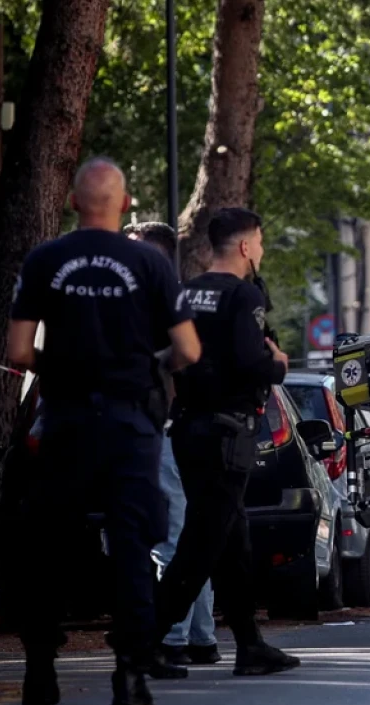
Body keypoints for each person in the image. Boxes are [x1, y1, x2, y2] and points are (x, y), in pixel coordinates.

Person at [7, 157, 201, 705]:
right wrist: (147, 363)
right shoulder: (149, 263)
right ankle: (130, 674)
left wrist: (65, 368)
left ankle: (40, 673)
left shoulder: (46, 259)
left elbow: (18, 352)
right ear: (125, 203)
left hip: (64, 419)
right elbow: (188, 350)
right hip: (131, 423)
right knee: (133, 544)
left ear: (73, 202)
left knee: (48, 545)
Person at [155, 207, 300, 677]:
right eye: (258, 242)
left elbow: (171, 356)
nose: (259, 250)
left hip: (190, 429)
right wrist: (277, 362)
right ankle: (143, 633)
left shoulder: (188, 291)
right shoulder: (243, 295)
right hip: (227, 433)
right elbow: (250, 362)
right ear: (243, 246)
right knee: (202, 543)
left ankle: (250, 644)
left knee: (232, 541)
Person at [125, 221, 219, 671]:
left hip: (164, 433)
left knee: (170, 541)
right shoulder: (185, 301)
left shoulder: (159, 304)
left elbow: (183, 365)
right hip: (190, 433)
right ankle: (200, 636)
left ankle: (176, 636)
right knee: (188, 536)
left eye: (133, 251)